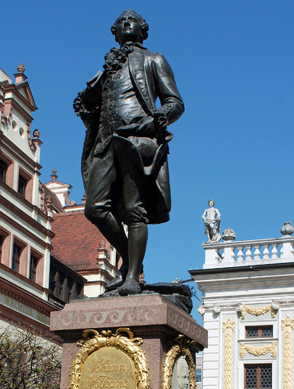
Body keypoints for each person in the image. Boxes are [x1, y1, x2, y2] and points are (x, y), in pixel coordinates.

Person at [74, 11, 184, 295]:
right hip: (105, 140)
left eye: (132, 20)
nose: (126, 23)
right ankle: (130, 261)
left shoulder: (153, 59)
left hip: (136, 138)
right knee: (95, 209)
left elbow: (175, 102)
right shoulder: (106, 69)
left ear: (143, 30)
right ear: (114, 31)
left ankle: (133, 275)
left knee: (135, 210)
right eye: (121, 21)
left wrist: (158, 117)